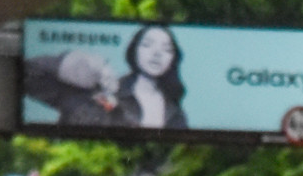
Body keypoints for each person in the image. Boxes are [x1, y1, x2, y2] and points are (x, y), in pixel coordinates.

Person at [23, 23, 188, 130]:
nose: (157, 53)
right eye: (147, 44)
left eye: (167, 49)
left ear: (173, 58)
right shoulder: (96, 90)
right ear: (134, 50)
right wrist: (74, 64)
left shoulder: (176, 114)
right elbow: (27, 74)